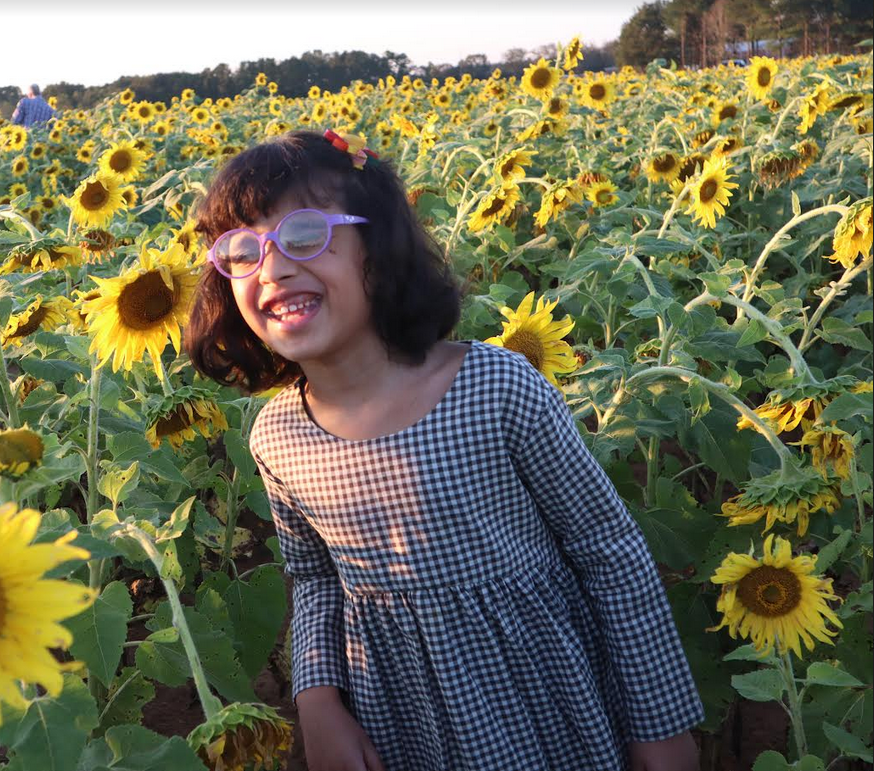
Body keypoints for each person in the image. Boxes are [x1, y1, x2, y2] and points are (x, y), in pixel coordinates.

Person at [183, 129, 704, 771]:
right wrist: (316, 698)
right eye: (240, 251)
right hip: (397, 715)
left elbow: (608, 550)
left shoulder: (493, 386)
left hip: (539, 700)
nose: (273, 268)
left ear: (377, 247)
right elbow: (315, 576)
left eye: (303, 235)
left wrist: (659, 724)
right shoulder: (279, 436)